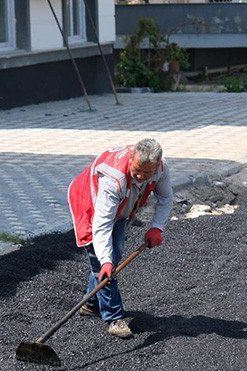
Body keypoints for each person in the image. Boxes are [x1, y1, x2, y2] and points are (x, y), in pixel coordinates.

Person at [67, 138, 173, 339]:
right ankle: (114, 318)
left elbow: (166, 199)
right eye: (137, 170)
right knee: (105, 264)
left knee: (111, 256)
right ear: (132, 157)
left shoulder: (161, 169)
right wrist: (106, 261)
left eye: (147, 172)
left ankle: (90, 304)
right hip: (90, 205)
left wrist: (157, 228)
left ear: (157, 166)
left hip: (120, 209)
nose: (141, 176)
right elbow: (102, 224)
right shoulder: (112, 178)